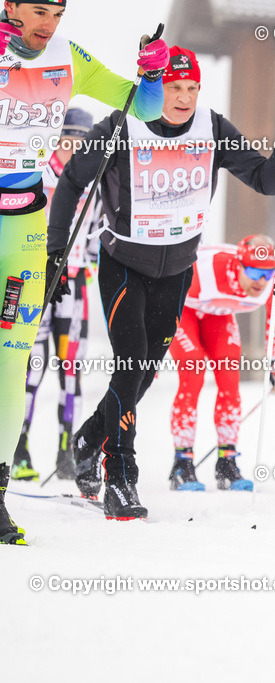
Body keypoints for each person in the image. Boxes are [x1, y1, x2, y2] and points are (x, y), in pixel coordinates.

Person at [47, 46, 275, 520]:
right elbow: (70, 183)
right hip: (124, 262)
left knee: (144, 374)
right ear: (154, 88)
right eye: (172, 87)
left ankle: (87, 439)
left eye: (191, 88)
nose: (183, 98)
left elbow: (266, 181)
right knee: (129, 366)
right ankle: (120, 477)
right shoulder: (122, 126)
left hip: (176, 271)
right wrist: (54, 252)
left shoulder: (213, 128)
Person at [0, 0, 169, 545]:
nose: (48, 23)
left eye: (57, 12)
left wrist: (152, 71)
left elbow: (144, 109)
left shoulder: (69, 59)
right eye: (37, 11)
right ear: (10, 7)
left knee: (10, 364)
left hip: (24, 229)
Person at [13, 108, 101, 482]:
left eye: (80, 142)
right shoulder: (37, 175)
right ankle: (17, 449)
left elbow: (98, 237)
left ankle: (67, 450)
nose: (73, 147)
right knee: (29, 370)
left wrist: (86, 273)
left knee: (71, 369)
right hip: (35, 282)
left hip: (73, 284)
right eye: (67, 139)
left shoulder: (93, 183)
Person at [168, 234, 275, 492]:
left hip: (218, 315)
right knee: (194, 369)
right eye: (255, 272)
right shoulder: (207, 269)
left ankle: (227, 461)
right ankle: (182, 462)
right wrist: (149, 346)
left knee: (230, 378)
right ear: (239, 265)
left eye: (267, 274)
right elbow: (160, 292)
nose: (261, 281)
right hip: (181, 308)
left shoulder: (273, 284)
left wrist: (274, 364)